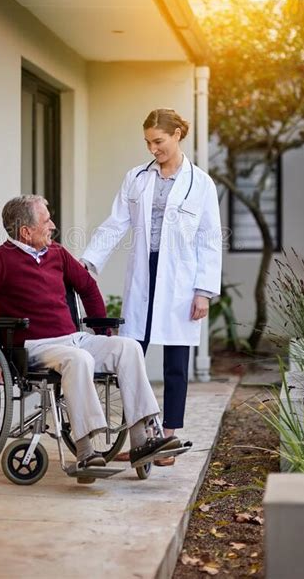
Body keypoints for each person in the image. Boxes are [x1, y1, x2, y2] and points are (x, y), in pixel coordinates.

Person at [0, 194, 179, 477]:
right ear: (26, 231)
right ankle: (85, 451)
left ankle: (143, 440)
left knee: (127, 347)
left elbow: (88, 288)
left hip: (72, 339)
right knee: (79, 359)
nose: (53, 226)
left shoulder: (56, 253)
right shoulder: (0, 261)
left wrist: (102, 333)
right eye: (46, 221)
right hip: (34, 346)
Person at [82, 108, 222, 466]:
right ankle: (141, 437)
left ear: (177, 134)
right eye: (147, 142)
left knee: (176, 363)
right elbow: (116, 224)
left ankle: (169, 441)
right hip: (144, 273)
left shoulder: (200, 183)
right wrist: (89, 263)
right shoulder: (137, 178)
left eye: (158, 141)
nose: (152, 148)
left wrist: (204, 291)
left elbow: (209, 239)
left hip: (182, 279)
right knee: (132, 356)